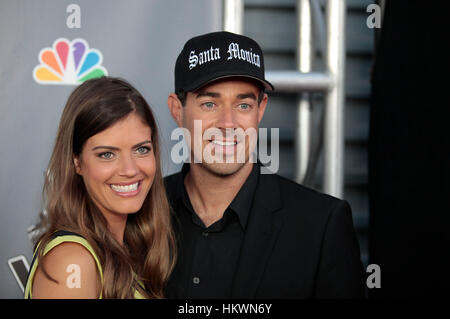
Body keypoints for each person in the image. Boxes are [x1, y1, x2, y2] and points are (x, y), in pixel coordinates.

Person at [164, 31, 365, 298]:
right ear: (178, 110)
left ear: (261, 109)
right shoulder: (140, 211)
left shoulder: (321, 226)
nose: (228, 123)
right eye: (210, 103)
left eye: (244, 105)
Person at [24, 76, 176, 299]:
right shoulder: (73, 260)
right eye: (107, 154)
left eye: (141, 149)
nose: (130, 169)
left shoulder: (127, 249)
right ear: (77, 162)